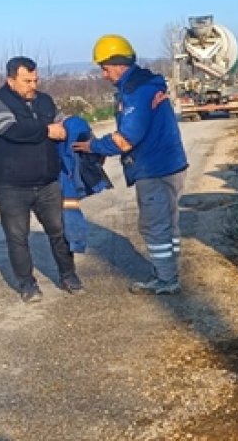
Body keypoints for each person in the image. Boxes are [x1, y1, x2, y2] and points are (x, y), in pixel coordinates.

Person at [73, 34, 189, 295]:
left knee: (153, 225)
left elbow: (126, 139)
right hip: (169, 164)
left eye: (104, 67)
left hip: (154, 169)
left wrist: (93, 146)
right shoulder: (147, 84)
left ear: (118, 64)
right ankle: (168, 270)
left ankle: (166, 279)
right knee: (168, 223)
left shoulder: (136, 92)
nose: (103, 74)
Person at [0, 56, 83, 303]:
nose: (33, 85)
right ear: (11, 80)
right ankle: (27, 284)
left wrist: (72, 129)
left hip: (48, 182)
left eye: (35, 80)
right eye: (27, 81)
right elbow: (12, 130)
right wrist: (46, 130)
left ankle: (68, 275)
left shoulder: (45, 101)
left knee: (60, 231)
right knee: (18, 238)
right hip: (11, 186)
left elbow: (62, 125)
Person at [56, 114, 112, 253]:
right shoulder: (76, 124)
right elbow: (96, 154)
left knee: (67, 206)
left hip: (64, 175)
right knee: (68, 205)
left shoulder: (70, 126)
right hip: (70, 175)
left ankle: (75, 242)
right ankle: (75, 242)